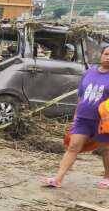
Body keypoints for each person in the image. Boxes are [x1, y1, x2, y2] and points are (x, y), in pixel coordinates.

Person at [42, 45, 109, 188]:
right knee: (73, 146)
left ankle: (107, 177)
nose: (108, 57)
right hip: (83, 119)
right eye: (106, 54)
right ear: (101, 55)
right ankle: (58, 179)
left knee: (106, 150)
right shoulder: (89, 73)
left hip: (103, 121)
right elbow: (81, 95)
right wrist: (76, 115)